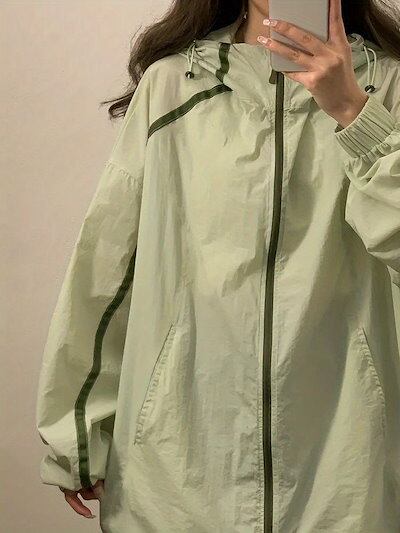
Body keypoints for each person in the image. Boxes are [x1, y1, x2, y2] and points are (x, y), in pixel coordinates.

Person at [35, 0, 400, 531]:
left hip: (348, 475)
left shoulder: (389, 89)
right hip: (178, 473)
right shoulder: (171, 88)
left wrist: (352, 110)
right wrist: (78, 428)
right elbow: (109, 265)